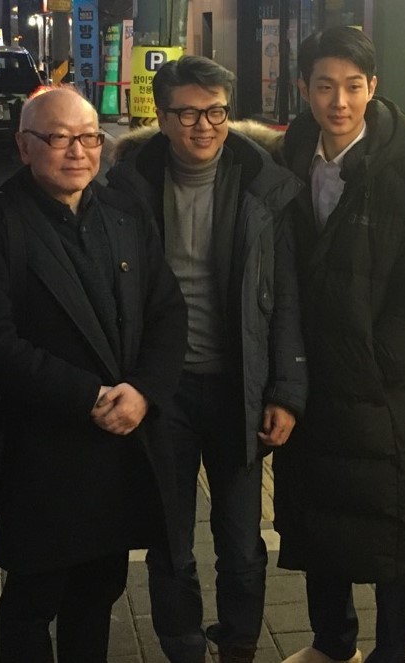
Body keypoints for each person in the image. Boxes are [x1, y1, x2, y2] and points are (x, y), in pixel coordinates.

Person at [0, 86, 188, 662]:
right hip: (42, 448)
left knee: (99, 593)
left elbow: (167, 310)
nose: (77, 151)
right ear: (24, 146)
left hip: (120, 446)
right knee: (32, 601)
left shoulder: (124, 211)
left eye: (89, 137)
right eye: (58, 138)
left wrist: (144, 392)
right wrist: (90, 396)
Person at [106, 55, 308, 663]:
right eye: (189, 114)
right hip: (162, 388)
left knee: (242, 539)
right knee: (170, 538)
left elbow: (286, 296)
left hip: (238, 386)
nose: (204, 126)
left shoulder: (261, 184)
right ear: (163, 117)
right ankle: (183, 644)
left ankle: (240, 642)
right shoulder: (130, 185)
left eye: (216, 112)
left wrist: (285, 391)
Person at [272, 25, 405, 663]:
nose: (339, 101)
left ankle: (393, 651)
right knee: (318, 516)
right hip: (309, 379)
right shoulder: (287, 159)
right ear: (303, 87)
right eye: (325, 86)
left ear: (373, 88)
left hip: (384, 385)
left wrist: (378, 362)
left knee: (393, 525)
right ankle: (331, 644)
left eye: (353, 86)